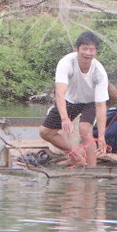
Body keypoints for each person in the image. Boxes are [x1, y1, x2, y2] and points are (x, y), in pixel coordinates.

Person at [39, 31, 111, 166]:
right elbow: (60, 93)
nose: (88, 53)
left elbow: (101, 106)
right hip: (70, 100)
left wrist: (101, 136)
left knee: (85, 130)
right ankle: (76, 155)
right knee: (45, 132)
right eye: (84, 49)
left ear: (95, 52)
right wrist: (65, 118)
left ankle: (91, 170)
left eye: (92, 49)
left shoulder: (99, 72)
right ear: (77, 49)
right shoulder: (66, 63)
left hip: (89, 102)